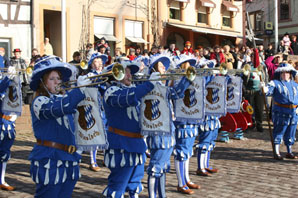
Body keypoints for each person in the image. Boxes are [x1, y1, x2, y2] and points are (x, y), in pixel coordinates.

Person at [28, 55, 91, 197]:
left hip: (68, 156)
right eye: (52, 79)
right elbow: (58, 108)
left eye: (58, 78)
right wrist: (79, 90)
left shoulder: (64, 97)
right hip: (49, 157)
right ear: (42, 83)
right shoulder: (39, 101)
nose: (57, 82)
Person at [102, 60, 155, 198]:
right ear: (115, 74)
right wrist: (149, 84)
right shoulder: (111, 91)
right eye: (125, 71)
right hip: (121, 145)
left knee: (135, 184)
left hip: (137, 144)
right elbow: (127, 98)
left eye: (130, 72)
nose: (129, 75)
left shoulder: (133, 89)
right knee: (118, 186)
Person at [145, 54, 192, 198]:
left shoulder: (162, 85)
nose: (164, 68)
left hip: (168, 130)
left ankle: (161, 195)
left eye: (164, 66)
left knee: (163, 167)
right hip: (158, 132)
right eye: (161, 66)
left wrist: (187, 79)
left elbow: (176, 94)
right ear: (153, 69)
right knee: (156, 167)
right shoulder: (149, 86)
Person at [172, 55, 200, 195]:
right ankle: (180, 183)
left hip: (191, 118)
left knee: (188, 151)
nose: (189, 66)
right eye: (186, 64)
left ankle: (187, 179)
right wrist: (186, 79)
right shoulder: (176, 79)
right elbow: (177, 93)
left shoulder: (192, 77)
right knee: (181, 152)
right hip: (181, 119)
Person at [261, 63, 298, 160]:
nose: (285, 74)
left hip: (293, 111)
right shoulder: (275, 83)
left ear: (290, 74)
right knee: (279, 131)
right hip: (281, 111)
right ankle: (276, 152)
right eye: (283, 73)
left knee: (291, 132)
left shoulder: (295, 85)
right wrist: (264, 89)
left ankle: (289, 151)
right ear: (280, 74)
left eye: (287, 73)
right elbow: (268, 91)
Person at [86, 53, 108, 172]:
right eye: (96, 61)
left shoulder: (104, 74)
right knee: (94, 134)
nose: (99, 64)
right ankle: (92, 161)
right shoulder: (89, 75)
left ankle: (105, 158)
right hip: (93, 107)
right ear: (92, 64)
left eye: (100, 61)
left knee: (105, 133)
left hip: (103, 107)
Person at [0, 66, 18, 191]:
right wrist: (7, 79)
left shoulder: (9, 80)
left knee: (4, 152)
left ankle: (2, 180)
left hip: (9, 122)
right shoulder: (4, 81)